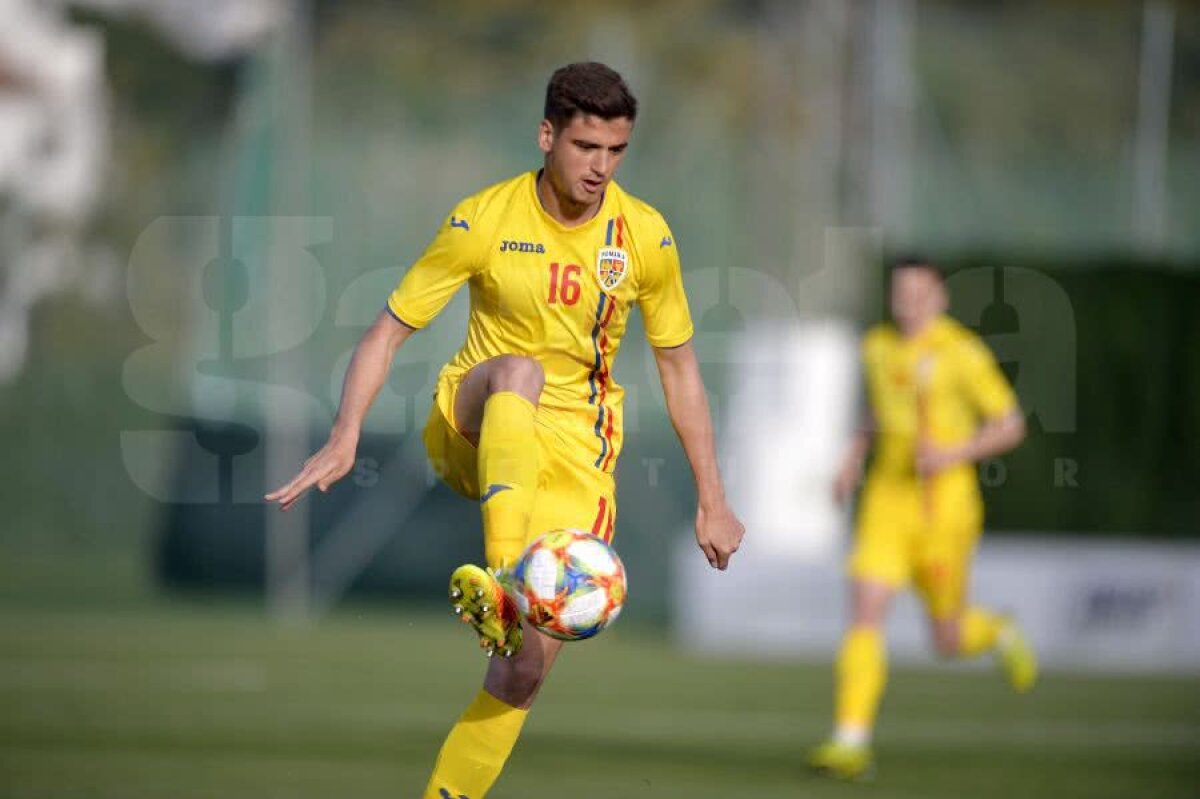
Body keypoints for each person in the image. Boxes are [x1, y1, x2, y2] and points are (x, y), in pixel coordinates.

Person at [265, 62, 745, 799]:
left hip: (578, 458)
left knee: (522, 674)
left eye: (616, 151)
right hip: (474, 416)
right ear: (547, 135)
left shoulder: (645, 236)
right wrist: (344, 432)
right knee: (518, 369)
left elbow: (680, 371)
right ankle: (498, 581)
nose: (601, 166)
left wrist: (713, 496)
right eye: (586, 146)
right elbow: (386, 331)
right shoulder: (483, 218)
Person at [806, 256, 1037, 781]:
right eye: (900, 293)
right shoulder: (878, 347)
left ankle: (999, 631)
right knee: (864, 610)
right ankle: (850, 740)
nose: (909, 303)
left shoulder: (961, 353)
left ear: (940, 299)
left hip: (945, 512)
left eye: (919, 294)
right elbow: (878, 410)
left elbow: (1010, 425)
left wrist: (952, 454)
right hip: (887, 503)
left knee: (947, 640)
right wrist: (852, 458)